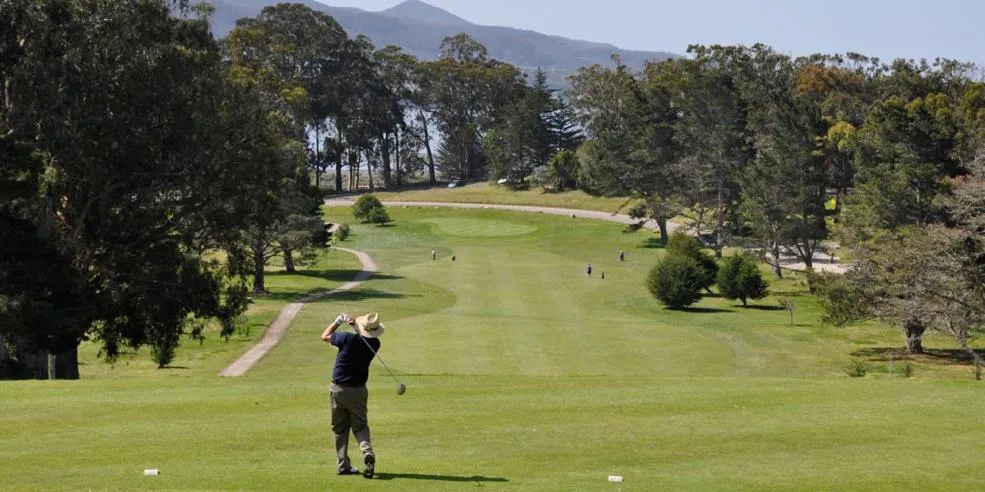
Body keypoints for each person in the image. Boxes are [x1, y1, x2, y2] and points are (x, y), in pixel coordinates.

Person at [321, 312, 386, 479]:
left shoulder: (346, 339)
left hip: (339, 389)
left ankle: (343, 465)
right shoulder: (375, 344)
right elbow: (365, 336)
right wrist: (354, 325)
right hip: (358, 391)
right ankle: (367, 452)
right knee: (361, 426)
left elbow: (325, 336)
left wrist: (337, 321)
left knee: (340, 428)